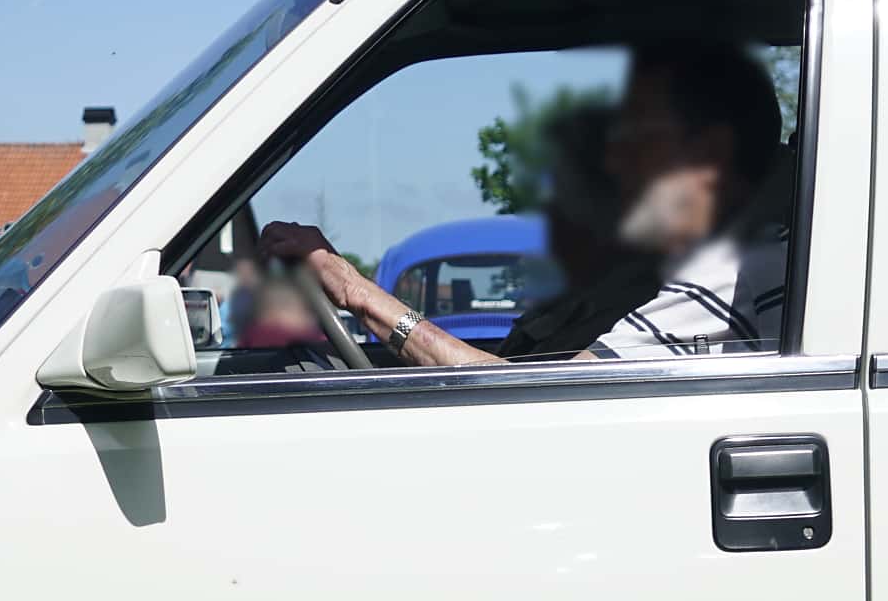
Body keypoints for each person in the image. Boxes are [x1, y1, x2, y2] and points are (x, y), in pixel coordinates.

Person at [262, 38, 787, 366]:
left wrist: (357, 291)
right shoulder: (668, 260)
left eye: (639, 133)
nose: (616, 154)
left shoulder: (739, 269)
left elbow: (529, 401)